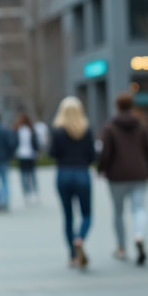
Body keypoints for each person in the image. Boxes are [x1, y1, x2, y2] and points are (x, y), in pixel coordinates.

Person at [98, 92, 148, 265]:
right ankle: (139, 235)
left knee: (118, 212)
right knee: (139, 208)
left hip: (117, 176)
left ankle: (121, 247)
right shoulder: (141, 125)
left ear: (117, 106)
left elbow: (105, 152)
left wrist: (101, 169)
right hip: (139, 173)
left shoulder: (110, 127)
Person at [51, 97, 95, 268]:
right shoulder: (87, 129)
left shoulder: (58, 131)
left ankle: (72, 255)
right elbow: (92, 155)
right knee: (87, 214)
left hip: (63, 174)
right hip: (82, 173)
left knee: (68, 216)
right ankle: (80, 238)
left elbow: (53, 153)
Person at [14, 114, 39, 205]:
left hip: (24, 154)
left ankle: (28, 194)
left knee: (25, 175)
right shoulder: (29, 130)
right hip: (27, 154)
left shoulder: (20, 130)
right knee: (30, 175)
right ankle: (32, 194)